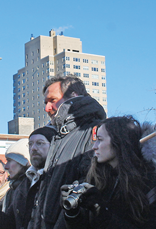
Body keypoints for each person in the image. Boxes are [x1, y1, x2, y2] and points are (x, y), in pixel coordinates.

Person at [60, 116, 156, 229]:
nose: (94, 147)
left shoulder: (148, 181)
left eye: (100, 139)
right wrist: (72, 213)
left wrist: (102, 212)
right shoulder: (95, 178)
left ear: (118, 142)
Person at [34, 75, 107, 229]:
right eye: (45, 102)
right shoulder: (60, 137)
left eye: (52, 100)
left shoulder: (95, 131)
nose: (47, 108)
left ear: (74, 97)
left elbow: (88, 187)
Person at [0, 126, 57, 229]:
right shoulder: (21, 188)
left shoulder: (56, 180)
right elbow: (9, 223)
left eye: (40, 143)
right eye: (30, 144)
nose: (34, 148)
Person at [3, 138, 31, 211]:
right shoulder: (12, 191)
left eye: (9, 161)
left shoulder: (34, 189)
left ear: (23, 163)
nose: (6, 167)